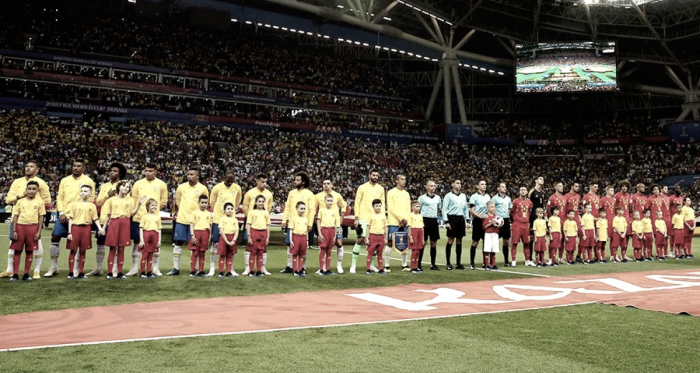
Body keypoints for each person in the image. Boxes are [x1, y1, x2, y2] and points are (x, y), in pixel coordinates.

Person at [1, 160, 51, 280]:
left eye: (31, 166)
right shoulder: (17, 182)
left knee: (36, 243)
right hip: (18, 220)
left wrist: (34, 204)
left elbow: (47, 202)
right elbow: (8, 200)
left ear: (37, 170)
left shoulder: (42, 183)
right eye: (27, 166)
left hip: (33, 220)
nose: (28, 168)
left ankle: (36, 270)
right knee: (13, 243)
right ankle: (10, 270)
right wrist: (21, 196)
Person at [45, 159, 96, 278]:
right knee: (55, 236)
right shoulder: (65, 180)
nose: (76, 168)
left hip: (80, 217)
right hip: (65, 216)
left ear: (83, 168)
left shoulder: (88, 181)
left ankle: (77, 269)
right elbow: (60, 198)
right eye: (74, 166)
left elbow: (91, 198)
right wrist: (61, 212)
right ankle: (54, 266)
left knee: (78, 244)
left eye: (79, 166)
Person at [167, 168, 209, 276]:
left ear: (197, 176)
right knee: (178, 242)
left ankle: (193, 269)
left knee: (195, 245)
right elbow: (178, 201)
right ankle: (176, 268)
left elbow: (204, 202)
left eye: (192, 174)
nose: (189, 176)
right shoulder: (181, 187)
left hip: (196, 222)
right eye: (188, 174)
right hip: (182, 219)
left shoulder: (203, 188)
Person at [89, 162, 126, 277]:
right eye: (111, 170)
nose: (112, 172)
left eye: (115, 171)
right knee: (100, 243)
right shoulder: (104, 186)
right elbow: (98, 202)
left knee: (114, 245)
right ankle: (99, 268)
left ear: (120, 173)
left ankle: (114, 269)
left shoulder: (124, 185)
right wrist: (107, 196)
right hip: (103, 220)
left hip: (115, 220)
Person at [130, 163, 169, 276]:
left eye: (150, 171)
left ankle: (155, 268)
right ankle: (134, 268)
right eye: (146, 170)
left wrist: (153, 211)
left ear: (155, 171)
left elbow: (163, 201)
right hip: (139, 218)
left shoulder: (161, 184)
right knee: (137, 243)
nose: (148, 173)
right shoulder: (138, 183)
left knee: (155, 244)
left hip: (153, 219)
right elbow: (134, 200)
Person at [103, 181, 144, 279]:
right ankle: (110, 272)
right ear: (119, 187)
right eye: (123, 186)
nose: (125, 188)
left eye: (127, 187)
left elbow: (131, 214)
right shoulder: (111, 200)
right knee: (112, 248)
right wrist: (104, 228)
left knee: (122, 248)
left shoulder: (130, 201)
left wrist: (138, 205)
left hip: (125, 222)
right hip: (114, 223)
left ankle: (120, 272)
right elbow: (108, 215)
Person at [8, 181, 45, 281]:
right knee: (17, 251)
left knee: (30, 251)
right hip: (20, 227)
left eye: (34, 189)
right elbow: (15, 216)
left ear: (37, 190)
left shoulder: (39, 202)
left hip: (33, 228)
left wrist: (39, 231)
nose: (31, 191)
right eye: (29, 189)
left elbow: (41, 217)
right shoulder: (20, 201)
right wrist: (14, 230)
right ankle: (15, 274)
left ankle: (26, 274)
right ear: (26, 190)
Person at [208, 170, 242, 277]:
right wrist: (219, 213)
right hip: (218, 220)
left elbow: (237, 202)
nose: (230, 183)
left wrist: (230, 212)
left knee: (231, 245)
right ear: (224, 178)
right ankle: (212, 268)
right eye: (228, 181)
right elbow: (212, 202)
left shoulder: (237, 188)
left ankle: (230, 269)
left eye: (231, 182)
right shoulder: (217, 188)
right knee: (215, 244)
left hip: (231, 221)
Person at [350, 169, 385, 274]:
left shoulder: (381, 189)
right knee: (360, 239)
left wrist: (382, 218)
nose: (375, 177)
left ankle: (372, 265)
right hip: (364, 218)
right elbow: (357, 202)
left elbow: (382, 204)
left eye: (377, 175)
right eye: (373, 175)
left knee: (375, 243)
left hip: (376, 219)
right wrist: (356, 218)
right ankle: (353, 265)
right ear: (369, 175)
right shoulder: (362, 187)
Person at [280, 172, 315, 274]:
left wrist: (310, 223)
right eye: (295, 180)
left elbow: (312, 210)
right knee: (290, 244)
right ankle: (290, 266)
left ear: (303, 181)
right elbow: (287, 207)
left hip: (304, 224)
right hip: (292, 223)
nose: (295, 182)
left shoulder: (309, 194)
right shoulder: (292, 193)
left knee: (304, 247)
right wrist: (284, 220)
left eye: (297, 180)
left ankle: (303, 267)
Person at [66, 185, 103, 279]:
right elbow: (71, 219)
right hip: (75, 228)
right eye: (82, 191)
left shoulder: (92, 206)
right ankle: (71, 272)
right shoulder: (74, 204)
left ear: (90, 193)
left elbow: (95, 218)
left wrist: (100, 228)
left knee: (83, 250)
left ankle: (81, 272)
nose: (83, 192)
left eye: (85, 191)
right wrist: (69, 232)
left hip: (86, 228)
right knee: (73, 250)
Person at [241, 173, 273, 276]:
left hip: (263, 224)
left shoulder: (269, 194)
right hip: (252, 223)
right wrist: (252, 216)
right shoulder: (250, 193)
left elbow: (269, 207)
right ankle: (248, 268)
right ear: (257, 181)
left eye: (266, 182)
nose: (264, 184)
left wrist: (263, 216)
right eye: (262, 182)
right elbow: (245, 206)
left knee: (263, 248)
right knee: (250, 246)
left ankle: (262, 268)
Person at [314, 179, 347, 274]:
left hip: (335, 224)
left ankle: (339, 265)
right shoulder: (318, 196)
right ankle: (323, 267)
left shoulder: (337, 195)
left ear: (332, 185)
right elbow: (313, 208)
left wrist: (342, 217)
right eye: (324, 184)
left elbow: (343, 205)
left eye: (328, 183)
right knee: (323, 246)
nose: (326, 185)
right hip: (324, 225)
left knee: (339, 243)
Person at [386, 174, 411, 272]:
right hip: (393, 222)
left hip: (404, 222)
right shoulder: (391, 192)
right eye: (402, 179)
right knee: (389, 242)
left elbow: (408, 208)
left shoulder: (406, 194)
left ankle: (404, 265)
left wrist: (405, 219)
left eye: (405, 179)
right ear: (397, 181)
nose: (404, 181)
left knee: (404, 243)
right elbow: (391, 208)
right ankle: (387, 265)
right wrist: (401, 219)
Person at [443, 179, 470, 270]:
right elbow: (444, 209)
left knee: (459, 240)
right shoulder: (448, 196)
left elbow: (465, 209)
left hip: (460, 219)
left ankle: (458, 263)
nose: (459, 185)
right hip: (452, 218)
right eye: (457, 183)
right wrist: (446, 221)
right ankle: (448, 263)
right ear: (453, 184)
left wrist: (467, 219)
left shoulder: (463, 196)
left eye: (460, 183)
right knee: (450, 240)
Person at [417, 181, 441, 271]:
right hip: (424, 221)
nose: (433, 187)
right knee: (423, 243)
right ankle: (418, 264)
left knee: (434, 243)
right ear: (426, 187)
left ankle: (433, 264)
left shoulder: (438, 198)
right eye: (431, 186)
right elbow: (418, 209)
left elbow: (439, 208)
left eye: (434, 186)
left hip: (434, 221)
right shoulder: (422, 198)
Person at [246, 195, 271, 277]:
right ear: (256, 202)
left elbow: (268, 225)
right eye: (259, 201)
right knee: (253, 252)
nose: (261, 203)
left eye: (262, 201)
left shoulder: (266, 213)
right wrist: (249, 236)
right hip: (254, 232)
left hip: (263, 233)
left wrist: (267, 237)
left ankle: (259, 270)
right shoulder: (252, 212)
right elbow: (248, 224)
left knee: (261, 252)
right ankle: (251, 270)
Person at [188, 195, 212, 277]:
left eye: (205, 203)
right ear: (198, 203)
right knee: (195, 252)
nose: (204, 204)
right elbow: (191, 224)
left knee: (202, 252)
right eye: (202, 202)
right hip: (196, 233)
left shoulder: (209, 214)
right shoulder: (194, 213)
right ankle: (192, 270)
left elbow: (210, 226)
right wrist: (192, 235)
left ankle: (201, 270)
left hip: (205, 233)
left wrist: (209, 237)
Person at [316, 194, 340, 275]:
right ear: (324, 201)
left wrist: (335, 235)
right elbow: (318, 222)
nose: (329, 202)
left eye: (331, 201)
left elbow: (336, 223)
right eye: (328, 201)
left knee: (329, 250)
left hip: (332, 230)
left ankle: (327, 269)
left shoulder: (335, 211)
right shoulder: (321, 210)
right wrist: (319, 233)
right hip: (324, 230)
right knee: (323, 250)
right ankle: (321, 269)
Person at [138, 198, 162, 279]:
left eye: (155, 205)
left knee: (151, 254)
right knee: (145, 254)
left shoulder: (157, 217)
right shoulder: (144, 217)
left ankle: (149, 272)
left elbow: (159, 229)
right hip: (146, 235)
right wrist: (141, 240)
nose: (154, 207)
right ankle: (142, 272)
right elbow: (141, 228)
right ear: (148, 206)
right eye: (152, 205)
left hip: (154, 236)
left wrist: (159, 240)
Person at [510, 186, 533, 267]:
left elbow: (529, 212)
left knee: (526, 243)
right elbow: (512, 212)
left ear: (527, 192)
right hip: (517, 224)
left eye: (524, 190)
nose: (523, 191)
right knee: (514, 243)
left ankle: (527, 260)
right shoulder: (515, 201)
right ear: (519, 192)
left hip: (526, 224)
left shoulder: (529, 202)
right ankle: (513, 261)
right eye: (521, 190)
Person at [468, 180, 489, 270]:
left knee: (485, 243)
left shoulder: (488, 196)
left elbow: (490, 208)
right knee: (475, 242)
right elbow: (472, 210)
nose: (484, 186)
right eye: (482, 184)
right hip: (477, 221)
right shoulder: (474, 197)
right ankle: (472, 263)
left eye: (485, 184)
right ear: (478, 186)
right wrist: (480, 216)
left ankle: (485, 262)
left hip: (486, 221)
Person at [491, 182, 512, 266]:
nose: (504, 188)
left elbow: (510, 209)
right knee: (495, 241)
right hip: (497, 221)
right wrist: (495, 219)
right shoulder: (494, 198)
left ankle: (506, 261)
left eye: (505, 187)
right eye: (502, 187)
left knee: (506, 241)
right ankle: (492, 261)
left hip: (506, 220)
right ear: (498, 189)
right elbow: (491, 209)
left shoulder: (508, 199)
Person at [528, 176, 546, 265]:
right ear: (536, 181)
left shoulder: (543, 193)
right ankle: (530, 259)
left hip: (541, 218)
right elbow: (527, 204)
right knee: (532, 238)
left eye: (543, 179)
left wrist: (544, 216)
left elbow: (543, 207)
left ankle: (541, 258)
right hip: (533, 217)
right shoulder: (532, 192)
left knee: (541, 237)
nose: (542, 180)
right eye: (540, 179)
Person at [218, 202, 240, 277]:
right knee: (222, 255)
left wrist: (234, 240)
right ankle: (221, 272)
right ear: (224, 210)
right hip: (224, 238)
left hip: (232, 238)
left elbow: (237, 230)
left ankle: (228, 271)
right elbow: (221, 230)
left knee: (230, 255)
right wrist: (226, 241)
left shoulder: (235, 220)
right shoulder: (222, 219)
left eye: (231, 209)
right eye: (228, 209)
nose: (230, 210)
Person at [366, 199, 388, 275]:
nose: (378, 207)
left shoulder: (383, 216)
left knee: (380, 253)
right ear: (373, 206)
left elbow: (385, 227)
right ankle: (368, 269)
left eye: (379, 206)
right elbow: (368, 227)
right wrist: (367, 238)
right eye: (376, 206)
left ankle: (380, 268)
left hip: (381, 236)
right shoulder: (371, 216)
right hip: (373, 236)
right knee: (370, 252)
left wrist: (385, 238)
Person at [547, 182, 567, 262]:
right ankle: (550, 258)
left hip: (562, 221)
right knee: (552, 241)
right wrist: (551, 219)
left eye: (562, 186)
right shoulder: (552, 198)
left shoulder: (565, 198)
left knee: (562, 240)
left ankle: (560, 258)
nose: (561, 187)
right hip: (554, 222)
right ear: (555, 187)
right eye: (559, 186)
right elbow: (548, 210)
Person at [289, 201, 310, 277]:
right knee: (295, 254)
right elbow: (291, 229)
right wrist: (291, 240)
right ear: (297, 209)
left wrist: (307, 240)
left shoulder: (306, 219)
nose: (302, 210)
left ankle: (300, 269)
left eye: (304, 209)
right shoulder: (293, 218)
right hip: (296, 236)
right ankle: (295, 270)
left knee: (302, 254)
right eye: (301, 208)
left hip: (303, 237)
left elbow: (306, 230)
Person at [614, 180, 632, 261]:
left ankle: (623, 255)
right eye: (623, 186)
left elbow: (630, 208)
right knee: (617, 237)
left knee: (627, 236)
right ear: (621, 187)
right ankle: (614, 255)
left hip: (627, 218)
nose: (624, 188)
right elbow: (614, 207)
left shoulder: (628, 195)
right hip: (619, 218)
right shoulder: (617, 195)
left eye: (626, 186)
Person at [564, 182, 582, 262]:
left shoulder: (578, 196)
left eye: (578, 186)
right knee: (568, 238)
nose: (578, 188)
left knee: (582, 236)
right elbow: (564, 209)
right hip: (569, 220)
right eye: (576, 186)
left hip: (577, 220)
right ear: (571, 187)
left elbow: (578, 207)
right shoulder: (566, 196)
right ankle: (567, 257)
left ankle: (578, 255)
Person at [407, 201, 425, 274]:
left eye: (419, 206)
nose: (418, 208)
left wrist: (423, 239)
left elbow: (422, 228)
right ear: (412, 207)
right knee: (414, 251)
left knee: (418, 251)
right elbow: (409, 226)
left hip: (420, 232)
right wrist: (410, 236)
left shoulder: (420, 216)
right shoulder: (410, 215)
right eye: (416, 206)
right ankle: (412, 267)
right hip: (414, 232)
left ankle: (416, 266)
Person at [482, 201, 500, 271]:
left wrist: (498, 224)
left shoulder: (496, 216)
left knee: (494, 249)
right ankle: (487, 265)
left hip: (495, 234)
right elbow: (484, 227)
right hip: (488, 234)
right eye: (491, 207)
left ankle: (494, 264)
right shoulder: (486, 216)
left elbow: (499, 226)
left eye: (494, 207)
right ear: (487, 208)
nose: (493, 208)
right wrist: (490, 224)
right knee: (487, 249)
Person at [599, 186, 616, 260]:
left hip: (613, 221)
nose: (613, 191)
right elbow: (599, 211)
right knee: (604, 239)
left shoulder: (614, 200)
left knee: (613, 239)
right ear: (607, 191)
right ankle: (601, 256)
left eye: (613, 190)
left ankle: (613, 255)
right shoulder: (602, 200)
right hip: (605, 222)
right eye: (611, 190)